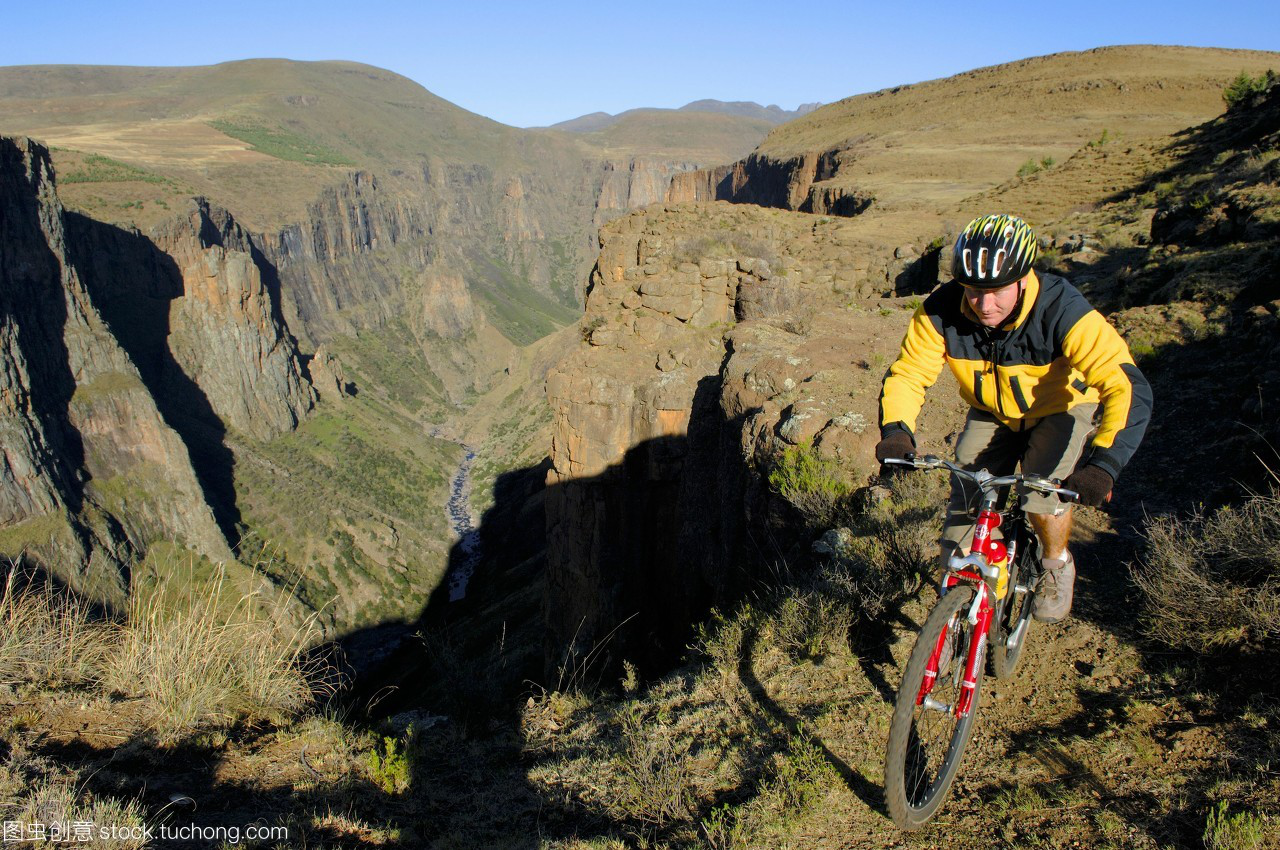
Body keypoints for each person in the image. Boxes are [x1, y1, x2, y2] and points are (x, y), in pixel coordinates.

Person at [874, 214, 1152, 622]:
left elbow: (1126, 386)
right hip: (993, 411)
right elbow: (909, 374)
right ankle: (955, 622)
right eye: (973, 291)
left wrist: (1104, 465)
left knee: (1042, 496)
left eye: (997, 291)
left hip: (1061, 407)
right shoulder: (940, 311)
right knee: (967, 502)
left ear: (1023, 279)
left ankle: (1057, 563)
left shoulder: (1062, 309)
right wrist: (897, 433)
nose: (985, 305)